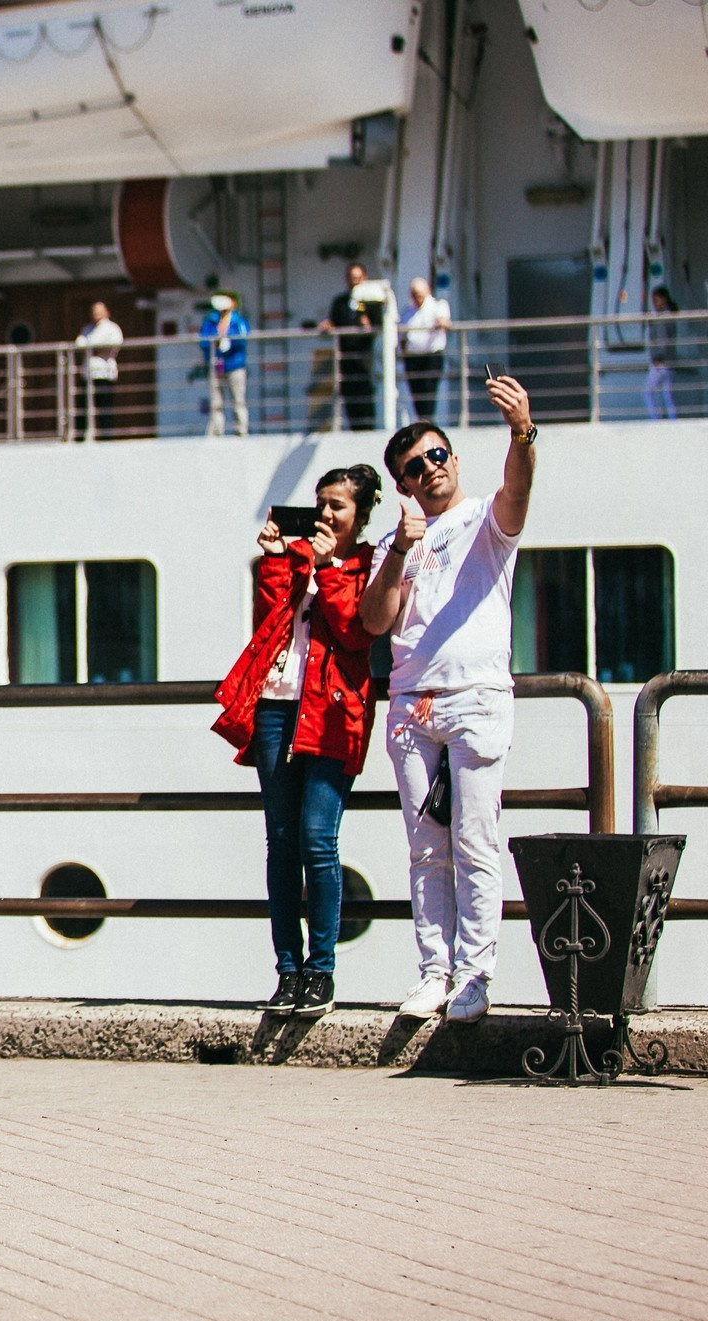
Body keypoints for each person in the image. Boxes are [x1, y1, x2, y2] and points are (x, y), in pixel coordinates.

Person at [362, 375, 537, 1025]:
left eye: (438, 456)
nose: (430, 469)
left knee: (475, 839)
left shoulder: (484, 520)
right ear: (403, 484)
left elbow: (517, 491)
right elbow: (376, 621)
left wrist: (521, 431)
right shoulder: (396, 543)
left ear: (455, 461)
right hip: (412, 706)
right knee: (426, 847)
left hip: (475, 697)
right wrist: (402, 548)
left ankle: (474, 975)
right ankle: (434, 972)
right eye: (415, 466)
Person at [213, 465, 383, 1019]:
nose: (326, 515)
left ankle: (322, 971)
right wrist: (274, 560)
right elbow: (270, 621)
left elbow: (355, 632)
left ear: (361, 514)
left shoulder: (366, 564)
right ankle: (287, 971)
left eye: (338, 506)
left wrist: (330, 566)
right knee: (281, 843)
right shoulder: (300, 557)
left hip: (333, 714)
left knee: (317, 841)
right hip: (275, 708)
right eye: (321, 504)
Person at [319, 263, 379, 431]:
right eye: (352, 278)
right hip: (345, 358)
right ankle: (354, 429)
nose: (355, 282)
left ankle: (368, 429)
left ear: (365, 279)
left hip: (365, 358)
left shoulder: (372, 302)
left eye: (358, 279)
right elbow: (334, 320)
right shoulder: (340, 302)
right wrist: (327, 325)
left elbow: (379, 324)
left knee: (365, 396)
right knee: (349, 396)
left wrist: (369, 324)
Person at [400, 277, 451, 421]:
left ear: (427, 291)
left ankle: (427, 422)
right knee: (416, 394)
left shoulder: (438, 305)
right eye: (415, 294)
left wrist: (441, 322)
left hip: (431, 357)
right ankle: (422, 421)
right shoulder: (407, 312)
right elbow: (402, 337)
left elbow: (445, 322)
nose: (417, 297)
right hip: (413, 358)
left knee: (428, 391)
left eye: (420, 294)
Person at [199, 292, 250, 437]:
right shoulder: (211, 320)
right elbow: (203, 341)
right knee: (216, 402)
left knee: (238, 400)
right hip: (217, 365)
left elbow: (243, 339)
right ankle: (216, 431)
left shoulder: (238, 321)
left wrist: (228, 339)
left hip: (235, 365)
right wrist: (214, 341)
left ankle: (241, 430)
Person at [74, 301, 124, 440]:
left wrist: (92, 348)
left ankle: (105, 438)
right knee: (83, 409)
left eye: (99, 310)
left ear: (106, 312)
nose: (96, 313)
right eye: (94, 310)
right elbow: (80, 345)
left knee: (104, 408)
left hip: (104, 374)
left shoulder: (112, 328)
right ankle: (80, 438)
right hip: (88, 373)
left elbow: (110, 347)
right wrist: (95, 349)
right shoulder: (87, 329)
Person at [646, 286, 678, 420]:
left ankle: (655, 419)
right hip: (670, 361)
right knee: (667, 394)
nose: (654, 302)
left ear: (663, 298)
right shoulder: (670, 314)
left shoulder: (663, 316)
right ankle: (673, 420)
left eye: (656, 299)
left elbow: (662, 338)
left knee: (647, 392)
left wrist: (658, 357)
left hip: (661, 361)